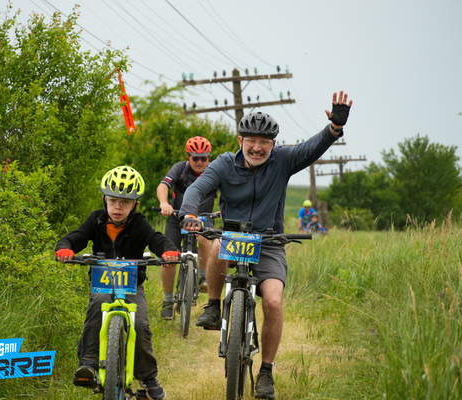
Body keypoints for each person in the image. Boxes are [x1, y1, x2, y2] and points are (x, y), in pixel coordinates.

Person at [180, 91, 353, 399]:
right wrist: (190, 213)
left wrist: (334, 128)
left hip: (269, 241)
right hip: (233, 237)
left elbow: (310, 148)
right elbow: (197, 188)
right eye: (251, 140)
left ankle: (266, 372)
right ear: (240, 140)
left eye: (264, 142)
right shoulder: (223, 164)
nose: (257, 147)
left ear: (273, 144)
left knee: (273, 301)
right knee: (218, 246)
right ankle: (213, 305)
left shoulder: (283, 160)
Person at [55, 166, 179, 400]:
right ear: (105, 200)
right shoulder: (96, 220)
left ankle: (147, 378)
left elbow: (156, 239)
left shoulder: (139, 223)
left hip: (131, 287)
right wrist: (65, 248)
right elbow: (77, 236)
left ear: (135, 205)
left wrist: (168, 251)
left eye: (125, 202)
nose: (118, 207)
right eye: (113, 201)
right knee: (97, 307)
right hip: (102, 285)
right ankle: (89, 364)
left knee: (140, 324)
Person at [156, 136, 217, 320]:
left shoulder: (215, 171)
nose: (199, 162)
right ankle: (168, 300)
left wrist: (227, 209)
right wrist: (164, 203)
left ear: (209, 158)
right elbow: (163, 185)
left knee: (204, 238)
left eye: (204, 158)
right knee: (169, 257)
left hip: (203, 219)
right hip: (177, 217)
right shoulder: (180, 168)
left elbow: (230, 193)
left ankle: (204, 277)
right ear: (188, 157)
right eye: (195, 158)